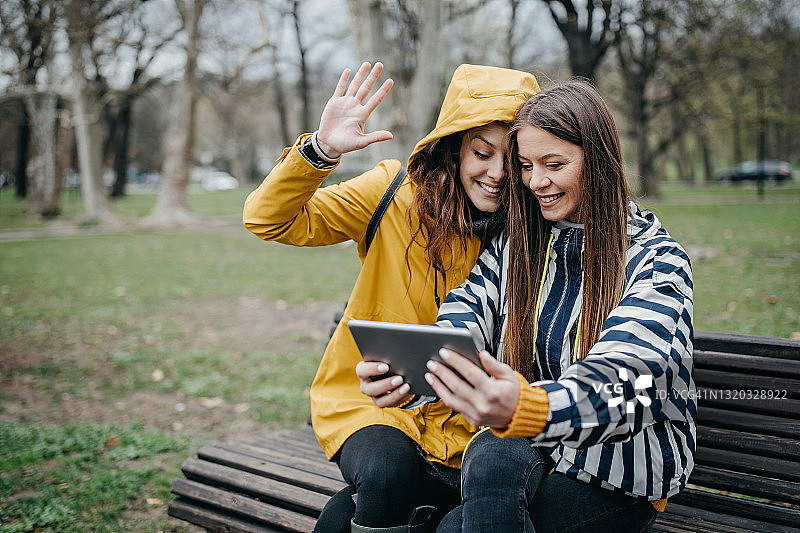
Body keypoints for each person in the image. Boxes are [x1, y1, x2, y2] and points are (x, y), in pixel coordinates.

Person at [243, 61, 540, 532]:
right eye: (482, 153)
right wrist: (320, 150)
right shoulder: (391, 193)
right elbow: (268, 219)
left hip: (475, 425)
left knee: (354, 512)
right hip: (373, 403)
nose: (498, 173)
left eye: (514, 158)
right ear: (453, 148)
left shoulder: (535, 230)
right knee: (386, 473)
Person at [419, 80, 696, 532]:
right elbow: (468, 309)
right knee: (487, 455)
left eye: (554, 164)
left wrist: (531, 407)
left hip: (620, 473)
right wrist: (417, 369)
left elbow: (629, 381)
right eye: (526, 166)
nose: (535, 182)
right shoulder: (519, 244)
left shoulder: (657, 261)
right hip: (544, 446)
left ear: (599, 162)